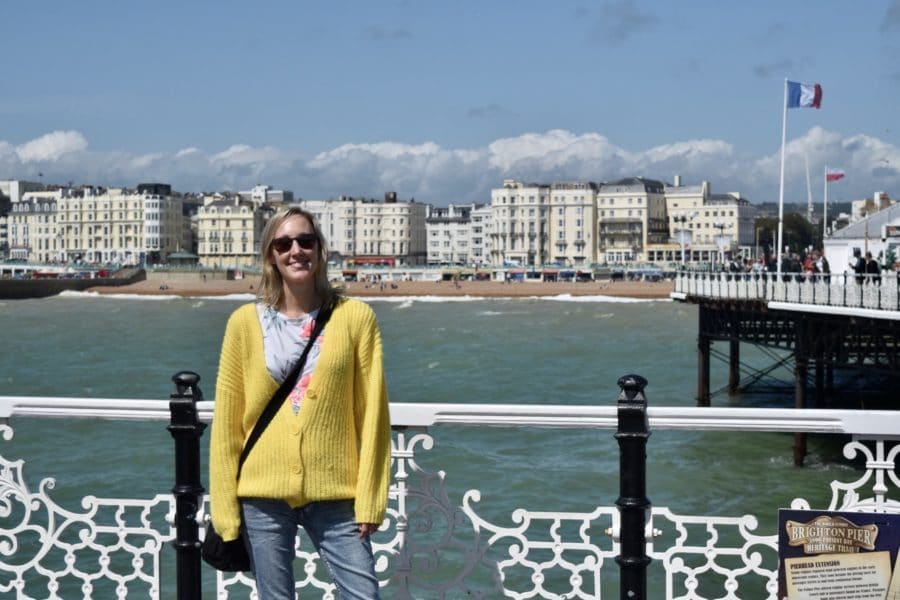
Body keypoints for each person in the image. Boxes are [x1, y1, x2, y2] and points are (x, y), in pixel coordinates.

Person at [209, 207, 392, 600]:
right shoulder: (243, 323)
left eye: (306, 241)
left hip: (336, 493)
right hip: (262, 495)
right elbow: (227, 424)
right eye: (284, 243)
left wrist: (371, 497)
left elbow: (373, 413)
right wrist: (224, 510)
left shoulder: (356, 318)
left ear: (320, 250)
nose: (296, 250)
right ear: (271, 255)